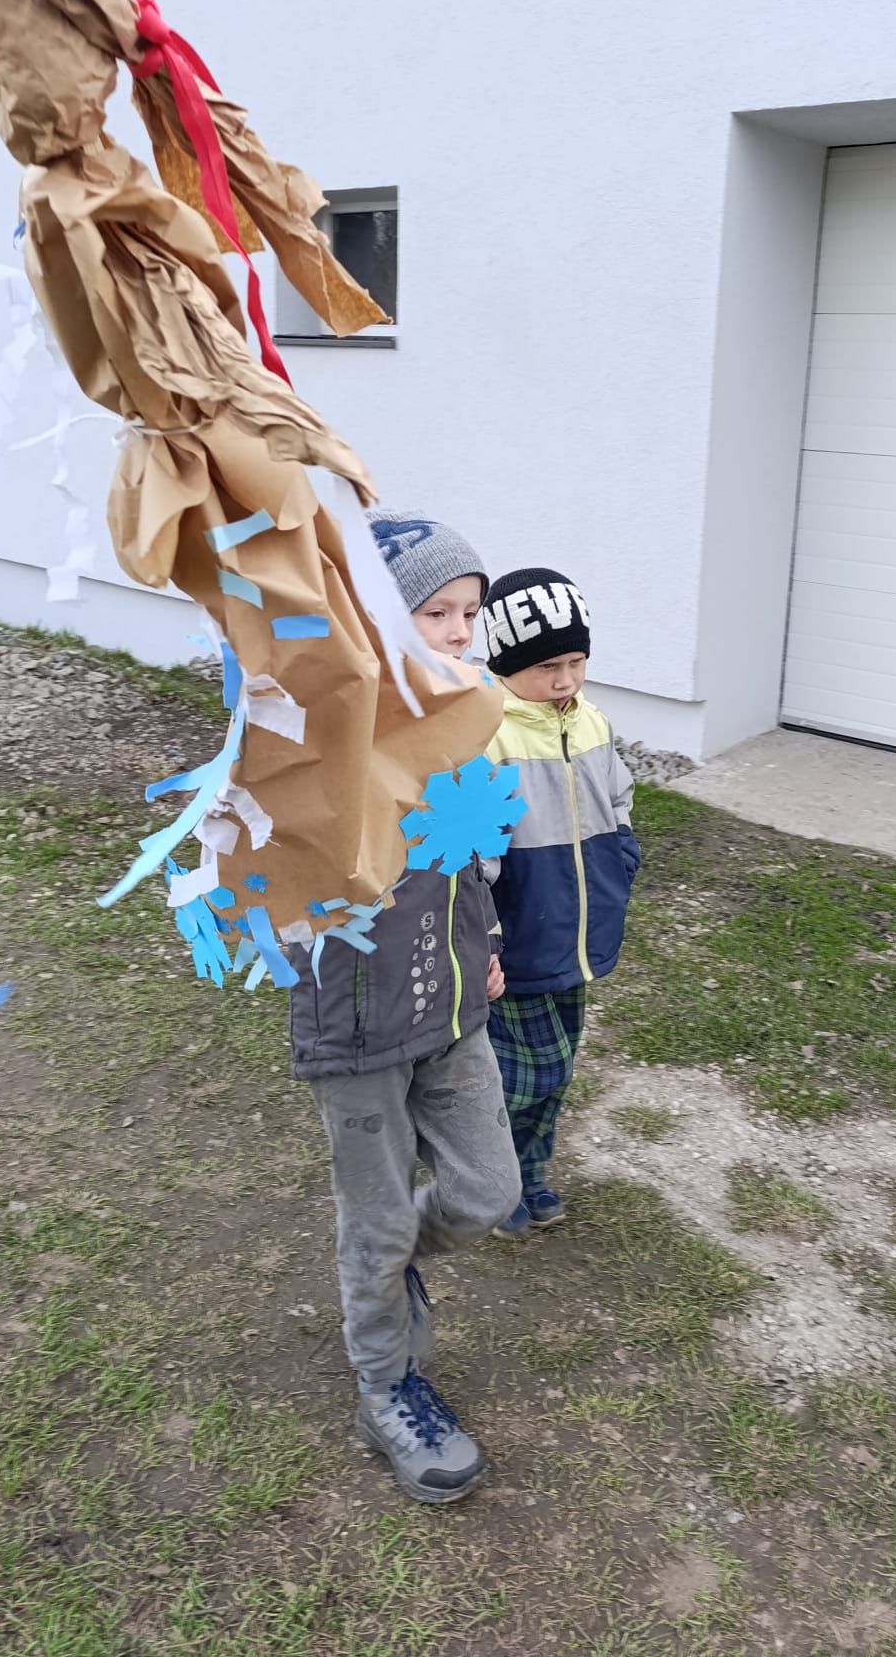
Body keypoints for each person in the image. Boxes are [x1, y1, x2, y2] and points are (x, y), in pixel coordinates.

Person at [288, 512, 521, 1504]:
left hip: (455, 1008)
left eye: (470, 611)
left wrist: (490, 945)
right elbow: (278, 869)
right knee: (376, 1223)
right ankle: (386, 1386)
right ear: (379, 622)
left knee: (488, 1192)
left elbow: (477, 862)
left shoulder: (461, 730)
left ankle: (384, 1268)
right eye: (436, 613)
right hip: (358, 1034)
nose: (462, 631)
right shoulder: (322, 743)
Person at [479, 568, 640, 1238]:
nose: (566, 679)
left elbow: (619, 795)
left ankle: (530, 1172)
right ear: (503, 662)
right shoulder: (485, 735)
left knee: (558, 1068)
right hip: (514, 941)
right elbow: (467, 853)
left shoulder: (592, 722)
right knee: (522, 1074)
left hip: (575, 936)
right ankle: (489, 1179)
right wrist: (482, 935)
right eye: (548, 666)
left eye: (576, 662)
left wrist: (623, 856)